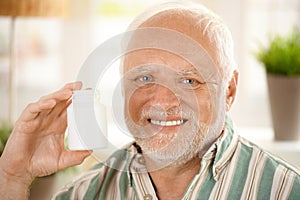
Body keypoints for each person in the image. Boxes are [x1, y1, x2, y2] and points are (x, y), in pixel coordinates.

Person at [1, 1, 300, 200]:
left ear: (230, 90)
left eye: (188, 80)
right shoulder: (84, 193)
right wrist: (12, 177)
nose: (161, 101)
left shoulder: (284, 190)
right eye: (144, 78)